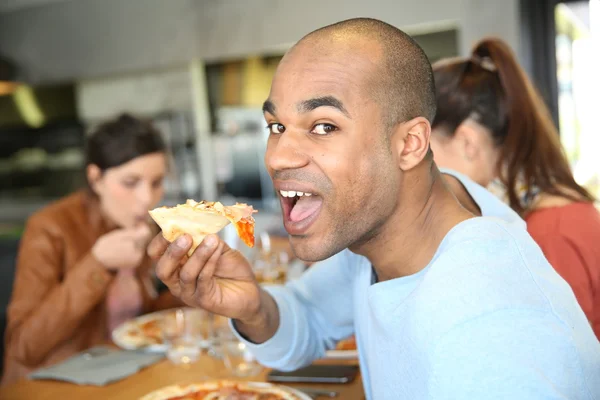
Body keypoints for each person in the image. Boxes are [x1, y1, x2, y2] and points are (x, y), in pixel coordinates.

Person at [149, 19, 600, 399]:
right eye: (277, 125)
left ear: (410, 144)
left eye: (323, 125)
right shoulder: (400, 221)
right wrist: (251, 308)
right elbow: (307, 320)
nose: (277, 156)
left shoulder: (490, 332)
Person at [430, 37, 600, 339]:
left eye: (428, 151)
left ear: (468, 143)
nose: (425, 169)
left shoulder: (549, 232)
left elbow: (556, 362)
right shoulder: (548, 211)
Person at [2, 114, 180, 384]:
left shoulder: (143, 224)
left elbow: (136, 317)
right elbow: (23, 347)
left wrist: (191, 288)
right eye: (130, 183)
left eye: (156, 183)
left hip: (124, 375)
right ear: (96, 178)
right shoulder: (49, 227)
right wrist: (97, 264)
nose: (147, 199)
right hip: (54, 387)